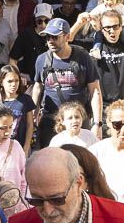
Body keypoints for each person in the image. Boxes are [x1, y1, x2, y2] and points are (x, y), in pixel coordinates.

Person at [32, 17, 102, 147]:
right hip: (51, 121)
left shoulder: (82, 57)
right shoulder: (42, 60)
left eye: (55, 37)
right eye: (48, 37)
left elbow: (95, 90)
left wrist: (97, 123)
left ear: (67, 36)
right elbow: (37, 87)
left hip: (78, 120)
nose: (50, 41)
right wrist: (33, 115)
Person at [11, 4, 53, 85]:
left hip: (51, 80)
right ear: (34, 20)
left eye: (47, 21)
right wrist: (18, 76)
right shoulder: (26, 34)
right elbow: (12, 60)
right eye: (39, 21)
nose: (43, 25)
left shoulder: (56, 36)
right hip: (30, 81)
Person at [0, 63, 36, 153]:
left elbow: (30, 125)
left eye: (16, 81)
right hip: (0, 147)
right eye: (10, 81)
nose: (14, 84)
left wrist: (26, 147)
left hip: (20, 146)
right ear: (1, 82)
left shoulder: (25, 99)